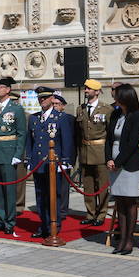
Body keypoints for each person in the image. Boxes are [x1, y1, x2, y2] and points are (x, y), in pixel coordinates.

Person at [26, 86, 72, 242]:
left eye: (44, 98)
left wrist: (65, 161)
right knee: (40, 196)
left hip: (54, 164)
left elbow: (66, 140)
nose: (42, 101)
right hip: (39, 163)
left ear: (52, 99)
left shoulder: (60, 117)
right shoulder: (34, 118)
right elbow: (31, 142)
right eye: (39, 98)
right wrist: (29, 160)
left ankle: (55, 225)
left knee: (54, 195)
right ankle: (44, 224)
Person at [105, 84, 139, 255]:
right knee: (119, 201)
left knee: (130, 201)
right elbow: (108, 138)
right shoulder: (115, 114)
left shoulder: (137, 116)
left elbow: (132, 142)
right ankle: (121, 238)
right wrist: (108, 159)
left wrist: (118, 161)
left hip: (129, 163)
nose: (115, 98)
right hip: (114, 161)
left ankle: (129, 240)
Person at [0, 77, 27, 236]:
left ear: (8, 90)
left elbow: (22, 133)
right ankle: (0, 219)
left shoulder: (16, 109)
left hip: (9, 153)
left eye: (0, 87)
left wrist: (18, 154)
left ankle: (10, 221)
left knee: (9, 190)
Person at [76, 79, 114, 227]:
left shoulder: (106, 109)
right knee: (88, 186)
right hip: (85, 152)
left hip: (101, 152)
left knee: (102, 186)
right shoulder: (81, 109)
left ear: (97, 91)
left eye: (89, 89)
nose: (86, 91)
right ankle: (90, 213)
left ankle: (102, 214)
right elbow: (78, 134)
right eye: (85, 88)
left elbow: (110, 132)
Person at [52, 92, 76, 221]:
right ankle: (52, 208)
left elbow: (72, 140)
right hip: (50, 156)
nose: (55, 106)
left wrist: (70, 158)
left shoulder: (69, 119)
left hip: (63, 157)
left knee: (63, 186)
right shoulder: (48, 117)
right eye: (53, 104)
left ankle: (62, 210)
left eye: (57, 104)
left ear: (63, 106)